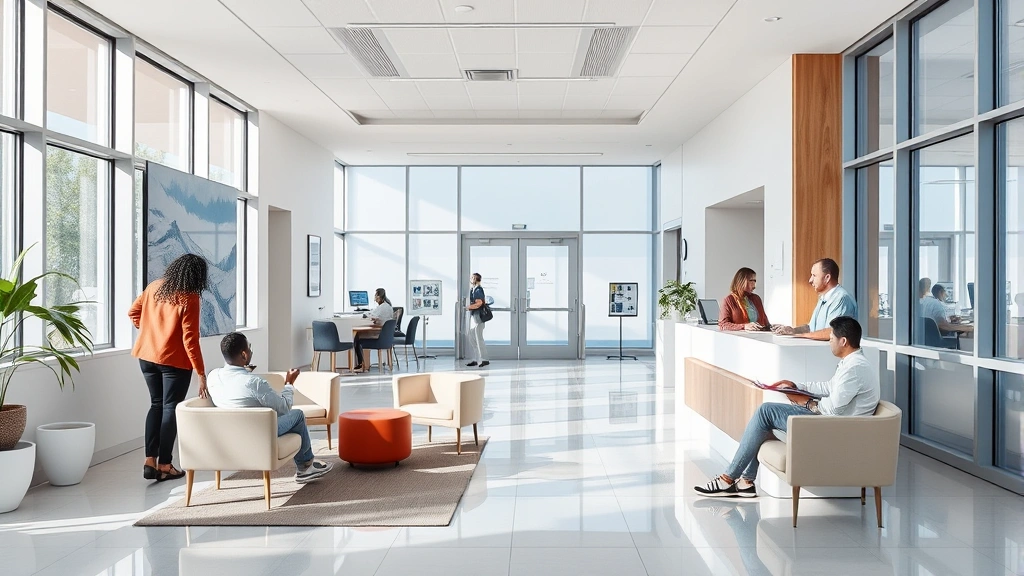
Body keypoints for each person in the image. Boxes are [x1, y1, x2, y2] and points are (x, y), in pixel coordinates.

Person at [694, 316, 879, 498]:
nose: (829, 341)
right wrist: (797, 386)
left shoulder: (855, 368)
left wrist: (806, 402)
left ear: (844, 341)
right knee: (764, 419)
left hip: (832, 427)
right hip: (832, 422)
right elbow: (829, 387)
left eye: (831, 338)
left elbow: (833, 409)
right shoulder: (852, 363)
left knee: (765, 412)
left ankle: (728, 479)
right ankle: (745, 483)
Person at [206, 332, 333, 483]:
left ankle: (306, 463)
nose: (251, 351)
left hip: (228, 436)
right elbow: (284, 407)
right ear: (244, 355)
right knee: (297, 415)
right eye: (249, 348)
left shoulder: (213, 376)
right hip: (259, 434)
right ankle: (305, 467)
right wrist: (289, 383)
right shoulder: (254, 382)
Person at [128, 253, 210, 482]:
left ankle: (149, 460)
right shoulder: (189, 297)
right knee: (169, 408)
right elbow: (190, 340)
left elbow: (133, 312)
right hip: (174, 361)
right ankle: (165, 463)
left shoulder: (154, 287)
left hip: (146, 356)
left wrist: (149, 332)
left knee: (156, 404)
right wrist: (201, 373)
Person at [771, 258, 857, 341]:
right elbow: (811, 328)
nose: (810, 280)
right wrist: (792, 330)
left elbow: (832, 332)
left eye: (814, 276)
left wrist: (798, 335)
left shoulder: (841, 299)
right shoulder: (823, 298)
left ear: (827, 278)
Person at [353, 288, 394, 371]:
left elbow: (371, 314)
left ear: (378, 296)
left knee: (358, 337)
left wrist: (365, 314)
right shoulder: (388, 306)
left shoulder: (382, 307)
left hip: (379, 336)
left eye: (375, 296)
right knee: (359, 336)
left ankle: (362, 365)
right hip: (386, 337)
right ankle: (362, 364)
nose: (374, 299)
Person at [719, 267, 772, 332]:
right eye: (751, 280)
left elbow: (765, 322)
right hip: (740, 339)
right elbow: (723, 324)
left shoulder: (756, 298)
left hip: (759, 337)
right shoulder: (728, 300)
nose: (754, 285)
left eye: (755, 281)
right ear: (741, 281)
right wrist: (744, 326)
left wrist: (774, 327)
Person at [466, 272, 489, 368]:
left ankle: (484, 359)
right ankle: (476, 359)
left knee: (478, 338)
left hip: (478, 317)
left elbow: (479, 303)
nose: (470, 279)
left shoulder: (478, 290)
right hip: (473, 316)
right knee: (472, 337)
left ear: (475, 279)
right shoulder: (473, 289)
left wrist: (468, 307)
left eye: (472, 277)